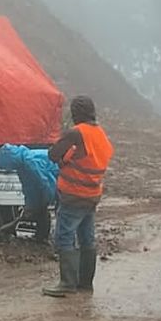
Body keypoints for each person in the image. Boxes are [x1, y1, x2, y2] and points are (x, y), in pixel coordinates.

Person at [43, 95, 114, 297]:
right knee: (87, 238)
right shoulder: (100, 134)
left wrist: (63, 157)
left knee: (64, 237)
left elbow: (53, 154)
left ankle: (67, 283)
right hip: (92, 195)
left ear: (76, 114)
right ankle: (85, 283)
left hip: (73, 195)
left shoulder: (76, 133)